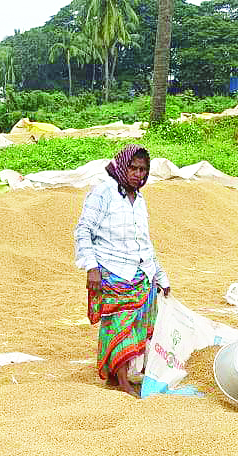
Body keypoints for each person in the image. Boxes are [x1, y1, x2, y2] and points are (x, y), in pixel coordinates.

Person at [73, 144, 171, 397]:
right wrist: (91, 268)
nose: (139, 174)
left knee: (139, 325)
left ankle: (121, 377)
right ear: (122, 167)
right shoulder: (103, 193)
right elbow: (84, 231)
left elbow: (145, 241)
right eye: (134, 168)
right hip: (114, 271)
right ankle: (121, 381)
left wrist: (160, 275)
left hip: (141, 272)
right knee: (119, 325)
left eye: (143, 170)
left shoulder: (140, 200)